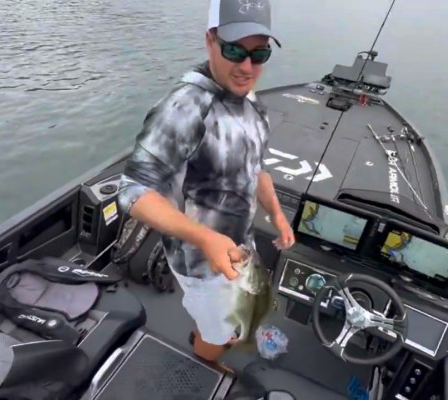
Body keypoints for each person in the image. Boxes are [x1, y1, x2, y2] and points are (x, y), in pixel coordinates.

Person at [117, 0, 294, 369]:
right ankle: (206, 359)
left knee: (233, 313)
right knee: (219, 331)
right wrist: (206, 239)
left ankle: (210, 333)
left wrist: (277, 214)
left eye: (259, 54)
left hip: (239, 248)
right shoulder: (185, 107)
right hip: (200, 262)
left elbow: (256, 169)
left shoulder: (251, 102)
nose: (247, 67)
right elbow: (132, 191)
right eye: (235, 51)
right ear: (210, 41)